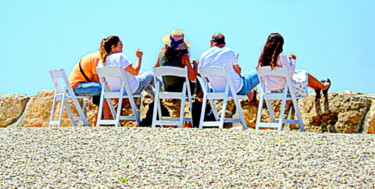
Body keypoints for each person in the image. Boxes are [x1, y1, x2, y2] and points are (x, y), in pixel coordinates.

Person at [257, 33, 331, 98]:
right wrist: (293, 61)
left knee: (298, 74)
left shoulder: (262, 59)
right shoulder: (281, 57)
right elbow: (290, 73)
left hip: (272, 91)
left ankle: (317, 87)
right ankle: (323, 87)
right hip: (285, 89)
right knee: (304, 74)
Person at [198, 33, 259, 101]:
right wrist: (233, 62)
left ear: (211, 42)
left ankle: (250, 94)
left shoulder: (203, 55)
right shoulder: (229, 52)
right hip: (236, 90)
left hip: (217, 92)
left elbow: (205, 77)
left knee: (239, 79)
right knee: (259, 71)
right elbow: (238, 72)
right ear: (224, 44)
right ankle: (251, 94)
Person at [154, 29, 198, 94]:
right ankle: (201, 102)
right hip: (183, 91)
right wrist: (195, 65)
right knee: (198, 79)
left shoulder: (161, 54)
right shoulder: (184, 57)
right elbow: (192, 78)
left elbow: (155, 68)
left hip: (167, 89)